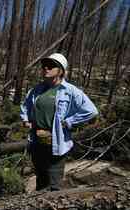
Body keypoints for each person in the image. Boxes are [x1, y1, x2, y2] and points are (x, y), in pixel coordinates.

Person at [20, 53, 98, 191]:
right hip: (37, 141)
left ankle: (54, 209)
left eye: (51, 66)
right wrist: (26, 119)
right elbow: (25, 106)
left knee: (54, 184)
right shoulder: (37, 90)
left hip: (56, 142)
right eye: (44, 66)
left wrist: (69, 122)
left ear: (61, 70)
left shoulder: (69, 91)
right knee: (41, 180)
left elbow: (91, 110)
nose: (46, 68)